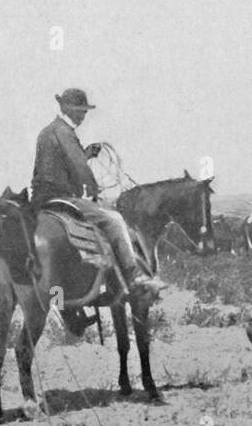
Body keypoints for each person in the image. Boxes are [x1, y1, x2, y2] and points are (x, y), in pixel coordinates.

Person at [30, 88, 162, 297]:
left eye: (84, 111)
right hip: (61, 198)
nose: (83, 116)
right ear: (70, 110)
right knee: (115, 220)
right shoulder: (64, 132)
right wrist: (92, 188)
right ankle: (134, 276)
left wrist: (86, 153)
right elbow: (80, 168)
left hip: (39, 199)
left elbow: (61, 163)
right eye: (81, 111)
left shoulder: (48, 131)